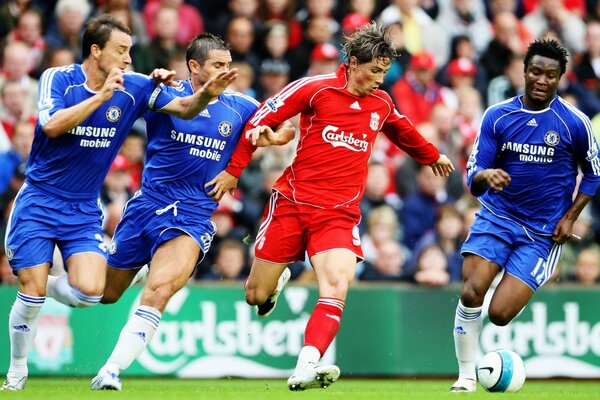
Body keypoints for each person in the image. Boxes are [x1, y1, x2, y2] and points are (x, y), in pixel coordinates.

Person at [207, 22, 454, 391]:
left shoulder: (381, 103)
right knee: (255, 294)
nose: (380, 79)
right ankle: (274, 287)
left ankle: (307, 364)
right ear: (353, 63)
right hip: (292, 203)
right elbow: (261, 119)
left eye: (385, 72)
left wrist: (433, 156)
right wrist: (233, 170)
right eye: (374, 71)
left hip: (338, 214)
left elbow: (404, 132)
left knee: (337, 284)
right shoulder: (315, 88)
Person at [2, 15, 239, 391]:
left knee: (93, 293)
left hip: (81, 209)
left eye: (130, 51)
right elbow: (50, 126)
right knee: (31, 292)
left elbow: (185, 108)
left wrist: (208, 93)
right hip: (39, 201)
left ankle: (40, 285)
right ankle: (16, 370)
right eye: (121, 50)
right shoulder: (59, 78)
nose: (129, 59)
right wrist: (101, 97)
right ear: (96, 50)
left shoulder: (137, 86)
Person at [89, 33, 293, 391]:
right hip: (147, 207)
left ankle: (110, 371)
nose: (226, 72)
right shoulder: (166, 91)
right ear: (194, 66)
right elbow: (168, 102)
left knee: (159, 291)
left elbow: (286, 126)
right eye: (218, 65)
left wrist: (272, 138)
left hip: (193, 215)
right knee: (105, 294)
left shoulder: (242, 106)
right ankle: (137, 272)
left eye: (229, 65)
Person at [450, 39, 600, 393]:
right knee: (472, 292)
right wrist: (486, 176)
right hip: (497, 216)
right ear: (524, 71)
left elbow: (593, 174)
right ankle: (466, 375)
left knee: (500, 315)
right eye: (535, 71)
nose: (541, 80)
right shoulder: (498, 116)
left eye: (550, 74)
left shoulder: (574, 123)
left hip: (542, 233)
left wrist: (572, 216)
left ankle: (475, 338)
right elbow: (474, 173)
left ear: (560, 78)